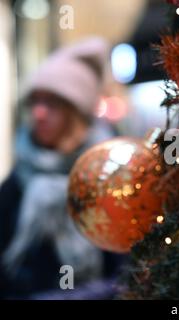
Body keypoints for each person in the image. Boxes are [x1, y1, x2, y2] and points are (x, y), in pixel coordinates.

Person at [0, 38, 123, 299]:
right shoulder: (19, 179)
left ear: (76, 113)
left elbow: (130, 272)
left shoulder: (113, 176)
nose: (39, 113)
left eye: (52, 103)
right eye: (35, 102)